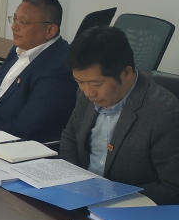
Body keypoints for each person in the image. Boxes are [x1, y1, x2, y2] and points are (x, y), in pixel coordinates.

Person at [60, 27, 179, 204]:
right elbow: (71, 137)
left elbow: (174, 189)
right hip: (81, 197)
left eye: (96, 84)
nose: (88, 92)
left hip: (128, 208)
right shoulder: (86, 94)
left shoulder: (164, 113)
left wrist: (108, 194)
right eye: (79, 82)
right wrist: (73, 179)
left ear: (126, 73)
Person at [0, 0, 75, 143]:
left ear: (50, 31)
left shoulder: (59, 68)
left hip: (6, 143)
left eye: (23, 22)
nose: (14, 27)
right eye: (14, 19)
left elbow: (27, 127)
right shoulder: (19, 48)